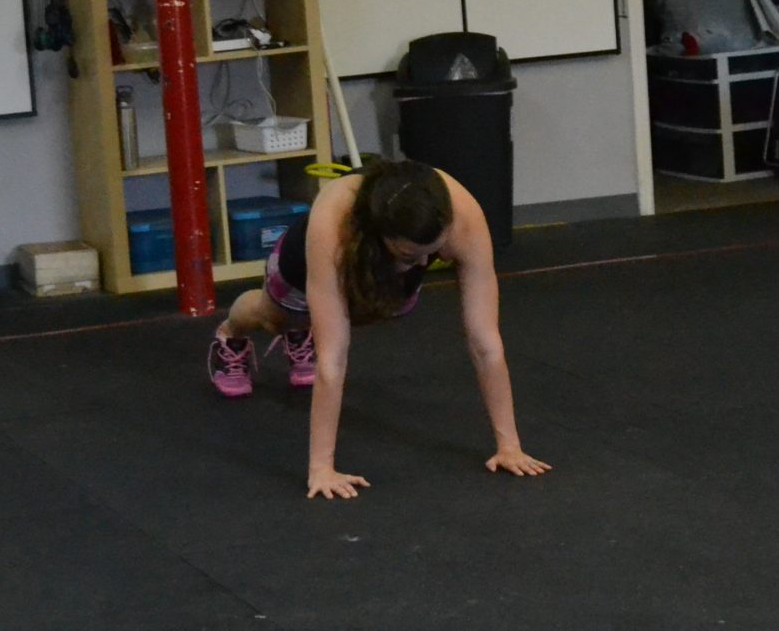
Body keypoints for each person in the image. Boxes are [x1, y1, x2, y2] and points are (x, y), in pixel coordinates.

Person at [205, 159, 549, 500]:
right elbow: (333, 358)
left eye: (433, 255)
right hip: (305, 263)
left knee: (377, 306)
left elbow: (485, 342)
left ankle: (305, 327)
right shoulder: (334, 222)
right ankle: (231, 333)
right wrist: (322, 468)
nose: (425, 265)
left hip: (381, 263)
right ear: (381, 232)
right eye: (411, 256)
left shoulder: (463, 217)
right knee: (276, 316)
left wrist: (510, 446)